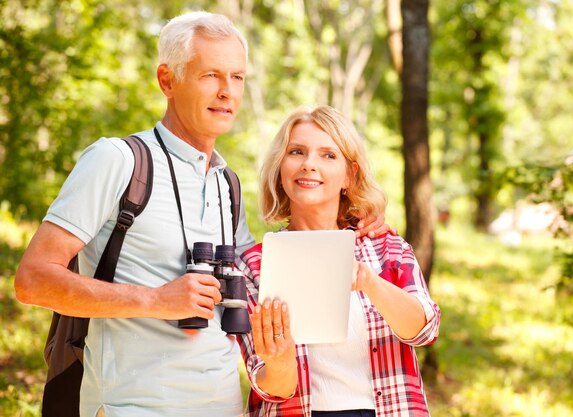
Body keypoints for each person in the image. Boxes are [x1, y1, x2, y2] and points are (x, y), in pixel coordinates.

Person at [14, 12, 386, 417]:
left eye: (237, 77)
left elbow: (268, 271)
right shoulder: (117, 161)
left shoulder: (228, 184)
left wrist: (357, 220)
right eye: (210, 75)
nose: (227, 91)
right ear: (167, 80)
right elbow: (33, 280)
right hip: (129, 406)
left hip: (221, 407)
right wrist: (155, 299)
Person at [237, 105, 441, 417]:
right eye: (296, 152)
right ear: (280, 168)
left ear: (349, 174)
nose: (309, 165)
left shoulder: (384, 246)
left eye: (328, 155)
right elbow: (272, 386)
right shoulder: (254, 265)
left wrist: (370, 282)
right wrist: (279, 360)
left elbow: (424, 330)